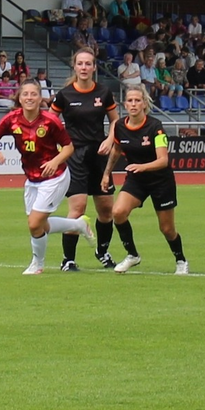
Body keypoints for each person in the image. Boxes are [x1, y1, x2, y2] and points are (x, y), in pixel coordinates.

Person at [0, 78, 95, 274]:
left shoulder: (50, 121)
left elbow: (69, 147)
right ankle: (79, 224)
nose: (30, 98)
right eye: (26, 94)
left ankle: (37, 264)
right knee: (40, 225)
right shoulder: (11, 119)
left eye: (34, 94)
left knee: (34, 224)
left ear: (41, 98)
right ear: (19, 98)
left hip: (55, 177)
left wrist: (55, 161)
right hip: (32, 180)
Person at [101, 85, 188, 275]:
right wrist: (107, 173)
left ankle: (181, 260)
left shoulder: (155, 127)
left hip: (160, 181)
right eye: (130, 100)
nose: (133, 104)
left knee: (167, 228)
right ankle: (132, 255)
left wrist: (142, 167)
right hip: (136, 179)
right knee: (118, 212)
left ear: (144, 104)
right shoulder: (120, 126)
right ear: (125, 104)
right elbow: (116, 150)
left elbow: (163, 160)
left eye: (137, 100)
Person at [50, 47, 120, 272]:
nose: (84, 67)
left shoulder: (104, 92)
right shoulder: (65, 95)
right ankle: (67, 259)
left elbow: (116, 122)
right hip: (75, 156)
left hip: (99, 156)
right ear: (74, 66)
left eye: (88, 64)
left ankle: (103, 251)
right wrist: (59, 146)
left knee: (106, 209)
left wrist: (110, 139)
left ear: (94, 67)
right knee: (78, 208)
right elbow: (49, 123)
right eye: (80, 63)